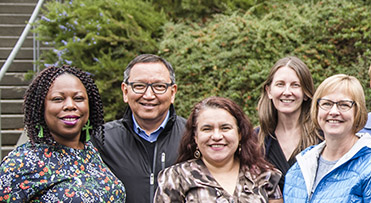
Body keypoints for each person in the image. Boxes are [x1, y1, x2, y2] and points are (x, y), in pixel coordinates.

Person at [0, 66, 124, 202]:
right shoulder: (21, 163)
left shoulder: (90, 152)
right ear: (41, 107)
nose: (70, 105)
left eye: (78, 98)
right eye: (58, 99)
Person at [282, 74, 371, 202]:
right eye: (327, 103)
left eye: (344, 105)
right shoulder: (301, 167)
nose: (334, 112)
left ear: (357, 112)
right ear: (316, 109)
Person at [92, 54, 187, 203]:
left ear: (173, 92)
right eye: (139, 86)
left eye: (159, 87)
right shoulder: (102, 139)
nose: (149, 95)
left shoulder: (192, 137)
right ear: (125, 91)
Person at [155, 97, 282, 202]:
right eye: (207, 129)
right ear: (195, 136)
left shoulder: (264, 176)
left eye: (225, 128)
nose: (216, 136)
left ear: (239, 134)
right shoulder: (176, 178)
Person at [257, 56, 321, 188]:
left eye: (295, 85)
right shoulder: (255, 140)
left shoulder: (322, 138)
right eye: (280, 84)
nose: (287, 92)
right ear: (269, 91)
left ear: (305, 93)